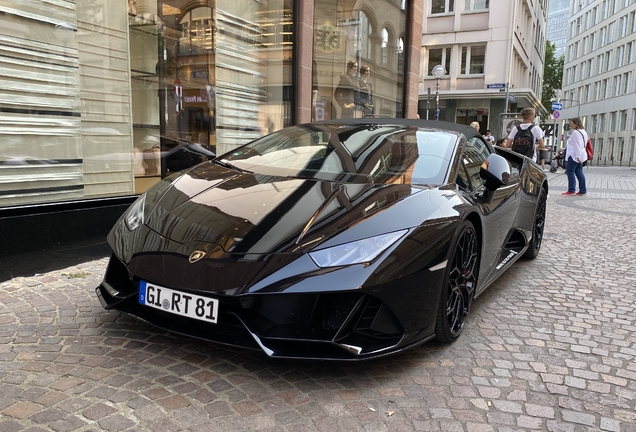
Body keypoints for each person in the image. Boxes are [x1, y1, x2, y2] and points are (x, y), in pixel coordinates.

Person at [562, 117, 588, 196]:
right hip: (582, 154)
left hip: (574, 155)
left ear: (576, 124)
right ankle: (582, 189)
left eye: (571, 123)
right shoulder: (583, 132)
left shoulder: (576, 133)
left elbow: (577, 145)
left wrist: (577, 156)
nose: (570, 125)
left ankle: (571, 189)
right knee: (579, 172)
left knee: (570, 171)